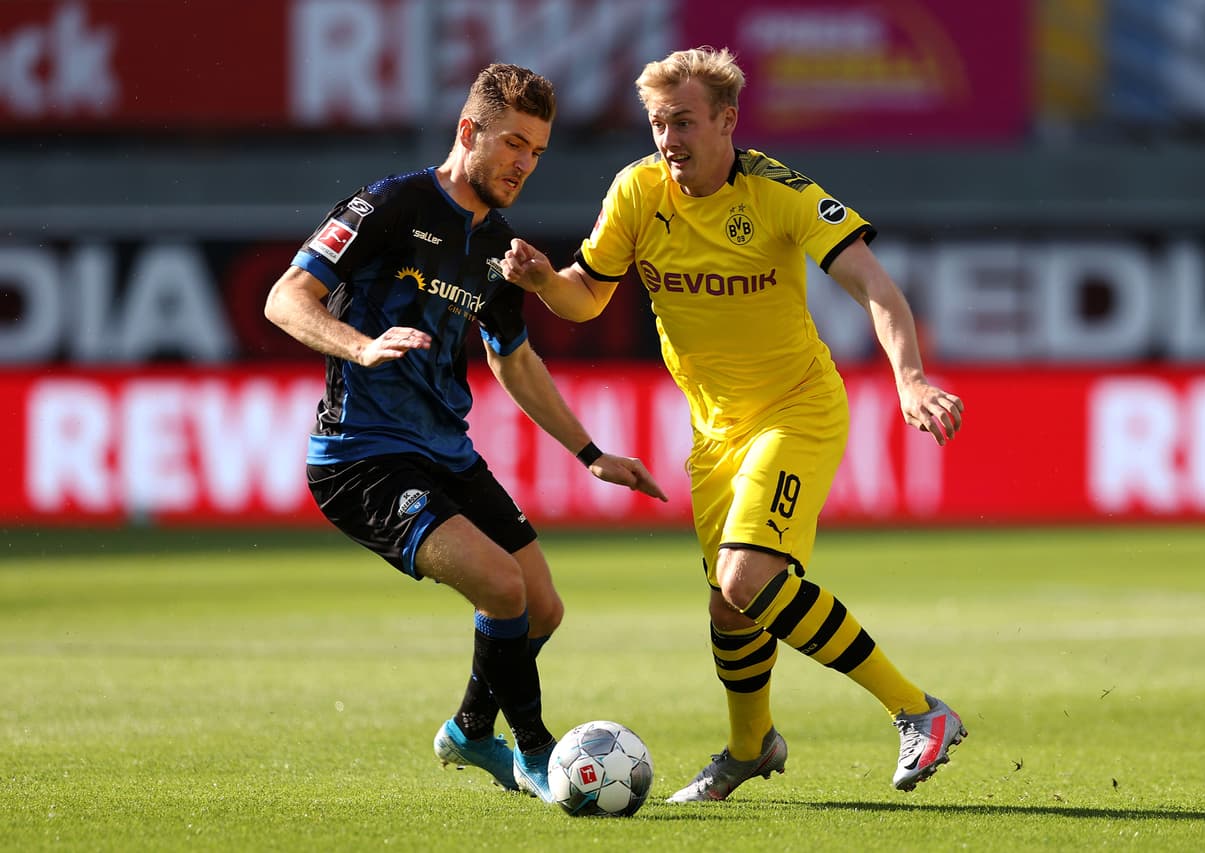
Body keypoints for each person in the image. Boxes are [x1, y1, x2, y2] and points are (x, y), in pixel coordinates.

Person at [501, 47, 966, 801]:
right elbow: (586, 296)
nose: (668, 139)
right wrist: (543, 281)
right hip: (714, 433)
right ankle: (750, 748)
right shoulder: (638, 191)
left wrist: (908, 376)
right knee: (730, 604)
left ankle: (918, 710)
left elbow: (874, 285)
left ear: (727, 120)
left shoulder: (780, 193)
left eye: (683, 122)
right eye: (658, 123)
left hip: (796, 409)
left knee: (748, 578)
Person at [263, 63, 667, 803]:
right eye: (512, 143)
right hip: (362, 457)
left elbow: (513, 360)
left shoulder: (500, 247)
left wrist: (591, 454)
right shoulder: (388, 206)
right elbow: (285, 298)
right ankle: (539, 753)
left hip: (445, 452)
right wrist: (361, 346)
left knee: (542, 605)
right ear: (468, 131)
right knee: (502, 586)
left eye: (536, 151)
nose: (523, 164)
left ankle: (472, 729)